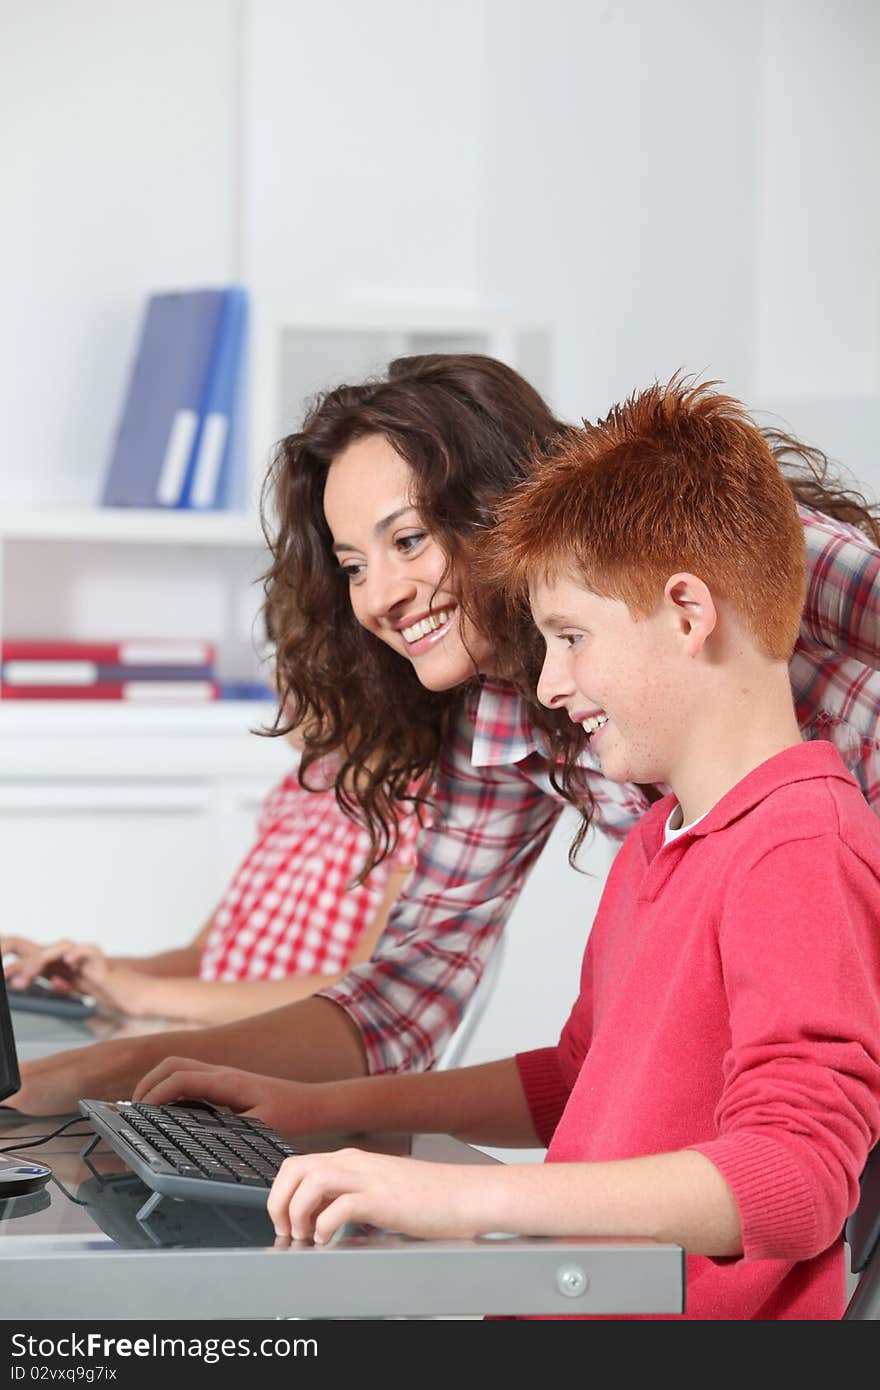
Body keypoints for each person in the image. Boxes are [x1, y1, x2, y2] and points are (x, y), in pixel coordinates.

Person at [134, 377, 880, 1321]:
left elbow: (798, 1176)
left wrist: (464, 1199)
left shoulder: (801, 844)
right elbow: (577, 1076)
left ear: (691, 615)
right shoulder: (657, 842)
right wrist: (312, 1111)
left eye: (569, 637)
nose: (550, 686)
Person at [9, 353, 880, 1115]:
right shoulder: (511, 718)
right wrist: (103, 1072)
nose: (380, 595)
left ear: (498, 507)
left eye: (409, 539)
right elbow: (401, 999)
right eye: (354, 565)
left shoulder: (760, 558)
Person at [2, 739, 423, 1026]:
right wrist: (98, 973)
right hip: (216, 1039)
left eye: (302, 658)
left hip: (297, 1065)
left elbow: (357, 995)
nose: (280, 679)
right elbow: (208, 954)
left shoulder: (418, 804)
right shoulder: (303, 784)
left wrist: (143, 994)